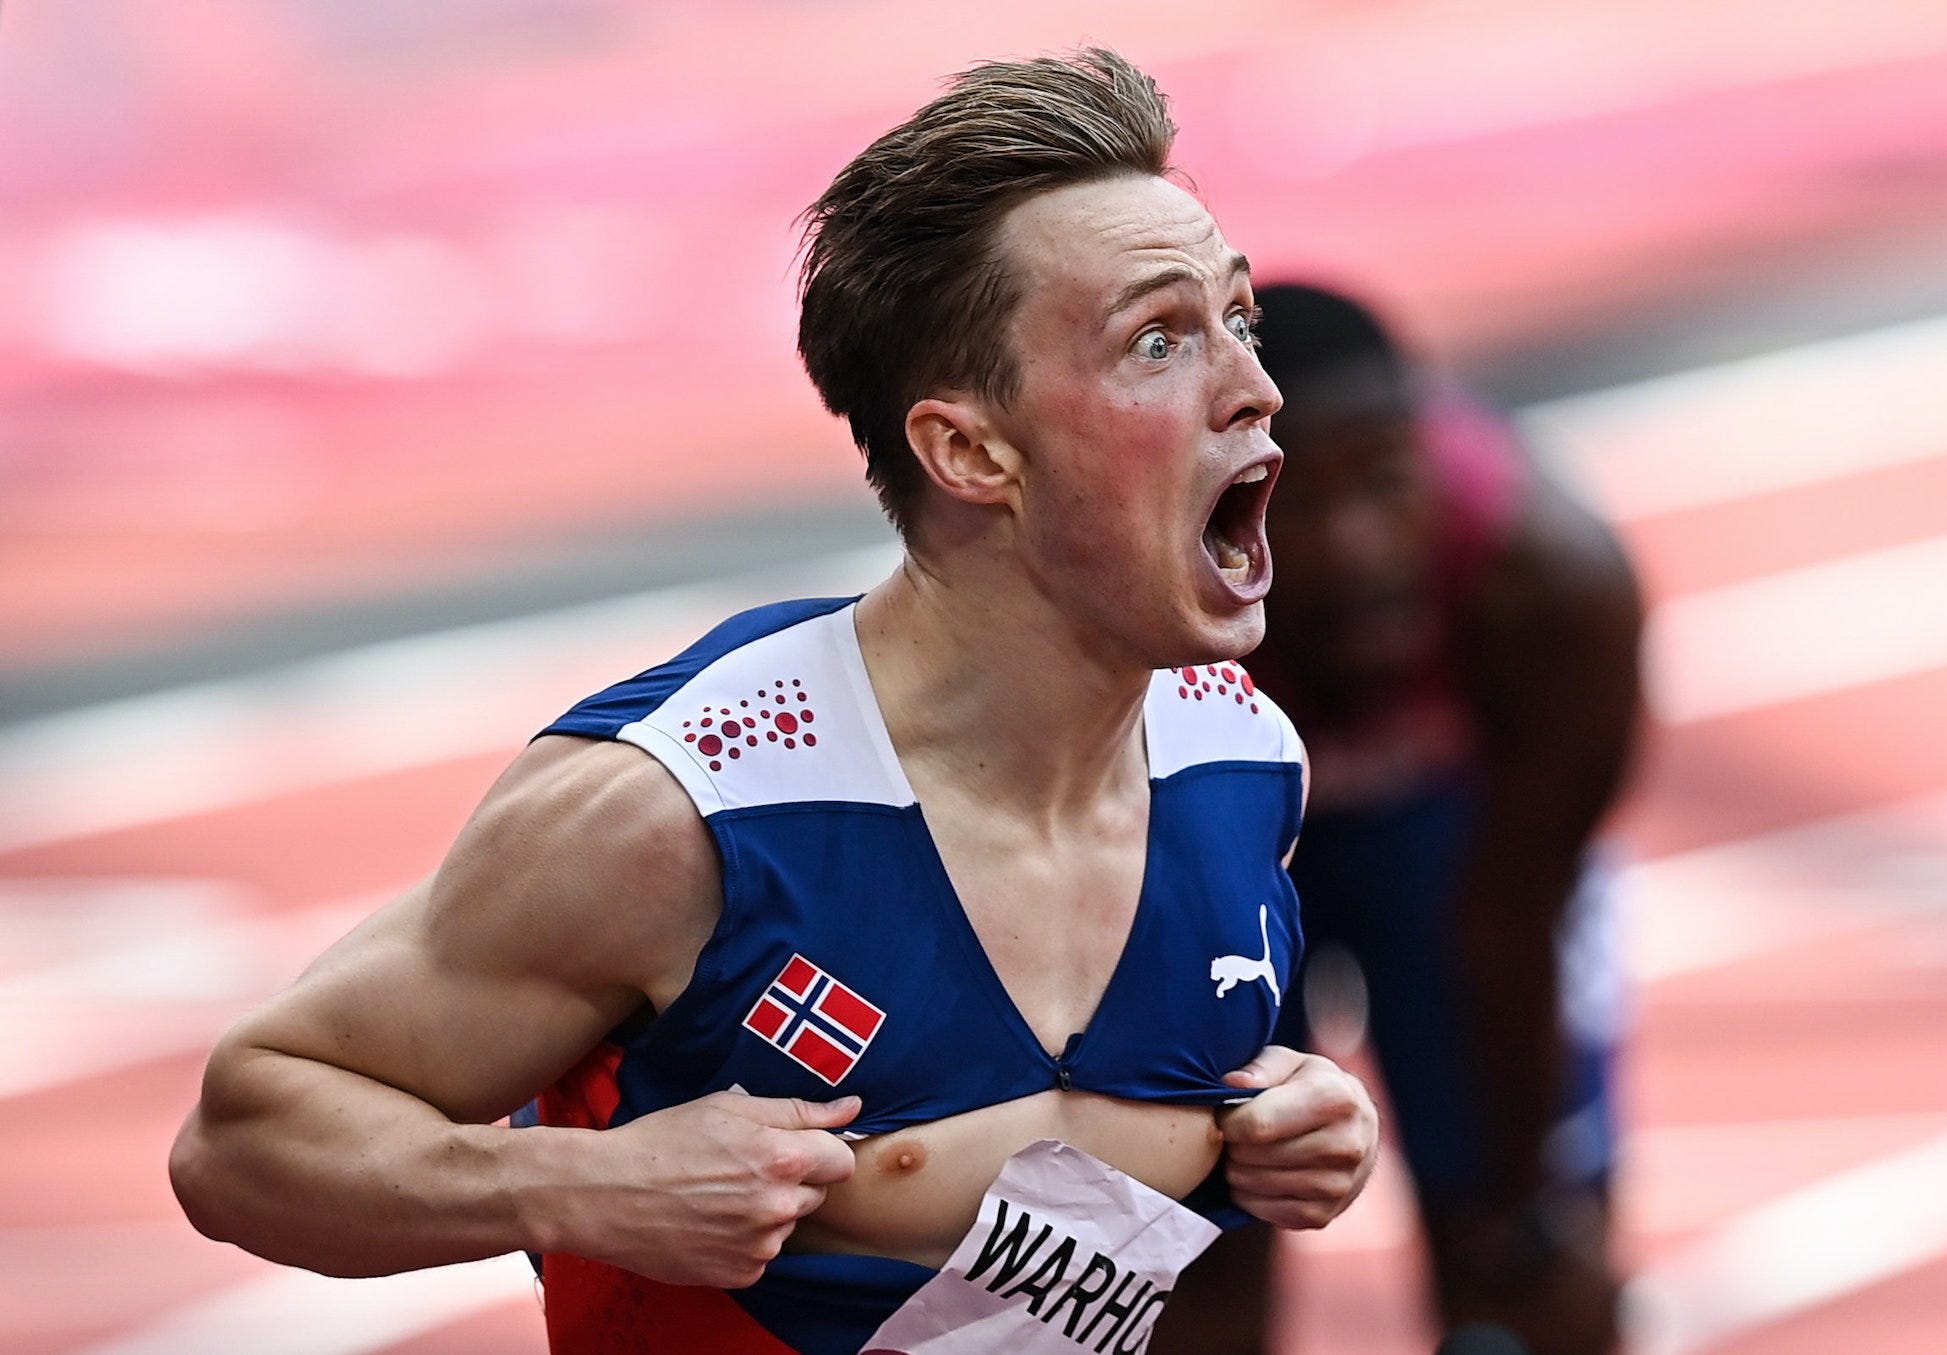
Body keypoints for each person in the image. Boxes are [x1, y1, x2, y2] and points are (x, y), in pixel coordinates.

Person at [169, 51, 1380, 1355]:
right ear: (970, 450)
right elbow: (243, 1136)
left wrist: (1289, 1125)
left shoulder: (1241, 760)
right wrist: (581, 1187)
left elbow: (1070, 1197)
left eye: (1236, 321)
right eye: (1158, 338)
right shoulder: (687, 813)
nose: (1255, 387)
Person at [1241, 283, 1644, 1355]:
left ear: (1425, 449)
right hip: (1223, 849)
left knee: (1533, 1249)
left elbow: (1518, 910)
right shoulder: (1131, 602)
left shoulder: (1551, 585)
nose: (1355, 544)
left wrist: (1516, 1202)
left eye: (1381, 478)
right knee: (1185, 1242)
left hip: (1448, 840)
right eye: (1295, 499)